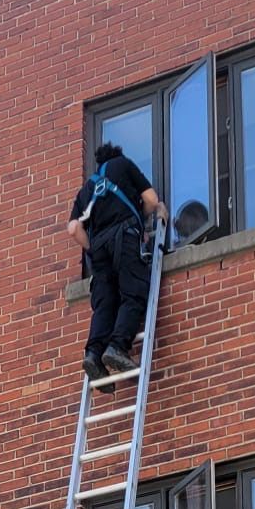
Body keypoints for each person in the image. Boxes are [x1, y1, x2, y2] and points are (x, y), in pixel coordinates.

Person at [67, 141, 164, 381]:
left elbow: (73, 229)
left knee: (105, 303)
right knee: (133, 293)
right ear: (117, 156)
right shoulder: (124, 165)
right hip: (125, 236)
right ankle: (117, 347)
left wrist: (93, 248)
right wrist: (141, 218)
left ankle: (93, 354)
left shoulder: (87, 188)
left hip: (99, 249)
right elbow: (151, 200)